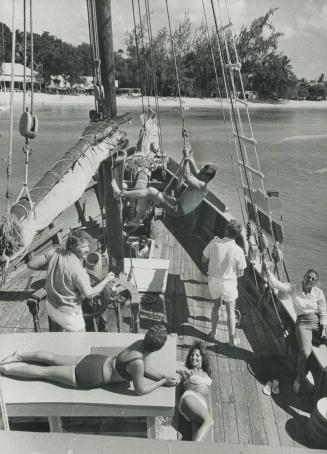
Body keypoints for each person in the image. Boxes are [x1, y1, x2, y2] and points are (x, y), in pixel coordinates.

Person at [0, 325, 179, 396]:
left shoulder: (139, 343)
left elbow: (147, 369)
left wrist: (163, 376)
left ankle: (20, 355)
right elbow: (140, 390)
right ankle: (6, 370)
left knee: (53, 357)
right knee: (44, 373)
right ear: (157, 348)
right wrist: (162, 381)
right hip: (92, 374)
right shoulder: (138, 363)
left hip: (97, 360)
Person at [111, 129, 216, 220]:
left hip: (176, 209)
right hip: (176, 202)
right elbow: (191, 157)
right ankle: (137, 220)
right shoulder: (201, 178)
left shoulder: (202, 187)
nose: (198, 171)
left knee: (152, 191)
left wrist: (186, 158)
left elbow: (187, 176)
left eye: (201, 172)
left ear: (206, 177)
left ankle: (120, 193)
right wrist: (186, 139)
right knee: (152, 196)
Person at [27, 229, 115, 332]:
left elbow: (31, 264)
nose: (87, 249)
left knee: (57, 336)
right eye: (83, 247)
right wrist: (106, 279)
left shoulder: (55, 252)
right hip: (68, 315)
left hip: (51, 306)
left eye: (87, 246)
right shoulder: (78, 270)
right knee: (80, 342)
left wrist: (52, 266)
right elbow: (90, 294)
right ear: (73, 247)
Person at [266, 266, 327, 394]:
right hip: (303, 322)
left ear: (315, 282)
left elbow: (323, 311)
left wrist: (323, 328)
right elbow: (277, 285)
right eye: (308, 277)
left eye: (313, 279)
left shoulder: (319, 293)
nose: (309, 279)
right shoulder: (294, 288)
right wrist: (268, 271)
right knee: (305, 351)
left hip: (317, 321)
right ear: (304, 277)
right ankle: (299, 378)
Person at [202, 220, 247, 347]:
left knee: (216, 305)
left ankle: (213, 332)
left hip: (214, 281)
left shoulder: (214, 242)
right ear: (237, 235)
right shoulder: (238, 250)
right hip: (229, 283)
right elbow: (241, 272)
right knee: (230, 311)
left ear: (226, 230)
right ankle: (232, 340)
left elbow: (203, 259)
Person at [176, 342, 213, 442]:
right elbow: (174, 366)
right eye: (192, 355)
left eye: (197, 355)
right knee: (208, 421)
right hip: (190, 397)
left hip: (201, 404)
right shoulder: (187, 370)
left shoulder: (206, 372)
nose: (193, 357)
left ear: (202, 357)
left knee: (197, 440)